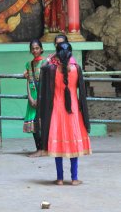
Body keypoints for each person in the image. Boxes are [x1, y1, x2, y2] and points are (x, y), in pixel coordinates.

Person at [39, 42, 91, 185]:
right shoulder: (76, 69)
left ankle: (60, 178)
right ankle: (74, 178)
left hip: (57, 110)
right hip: (73, 111)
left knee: (58, 143)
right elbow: (81, 92)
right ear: (71, 53)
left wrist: (51, 58)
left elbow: (41, 69)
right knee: (73, 141)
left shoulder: (51, 69)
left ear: (57, 53)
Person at [23, 39, 46, 157]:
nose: (35, 50)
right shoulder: (28, 64)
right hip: (32, 98)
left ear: (41, 49)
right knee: (34, 124)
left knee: (41, 123)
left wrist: (39, 98)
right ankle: (39, 148)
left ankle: (42, 149)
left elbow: (46, 83)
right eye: (32, 48)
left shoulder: (46, 63)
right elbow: (28, 81)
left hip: (43, 97)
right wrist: (30, 98)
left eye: (37, 48)